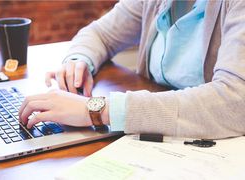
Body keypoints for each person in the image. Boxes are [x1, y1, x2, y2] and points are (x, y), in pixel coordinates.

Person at [19, 0, 245, 139]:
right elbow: (101, 34)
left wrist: (97, 110)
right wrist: (78, 61)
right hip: (158, 136)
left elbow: (235, 102)